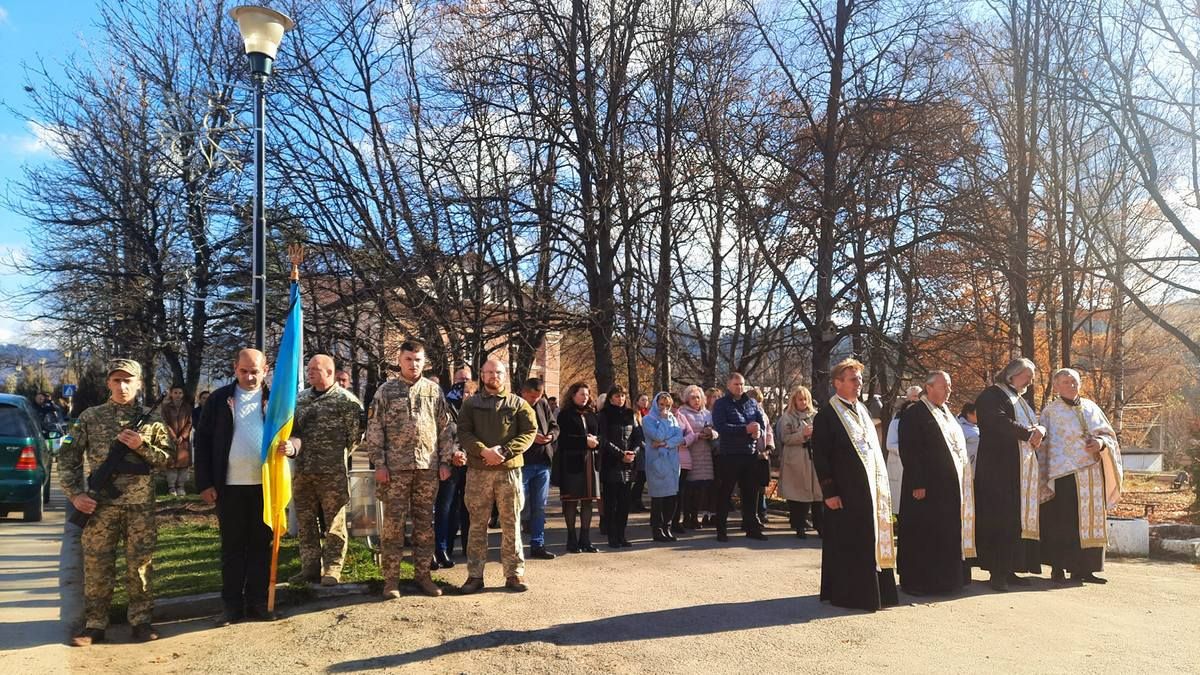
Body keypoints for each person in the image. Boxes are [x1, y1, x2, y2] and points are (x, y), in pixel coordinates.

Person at [60, 360, 171, 646]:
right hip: (99, 508)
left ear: (138, 384)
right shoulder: (89, 417)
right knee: (97, 565)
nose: (122, 386)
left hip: (139, 508)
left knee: (141, 565)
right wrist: (75, 494)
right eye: (116, 380)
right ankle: (94, 624)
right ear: (108, 383)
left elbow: (171, 460)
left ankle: (141, 621)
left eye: (128, 381)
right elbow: (67, 458)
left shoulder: (154, 421)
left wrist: (141, 446)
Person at [364, 341, 456, 599]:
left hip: (427, 468)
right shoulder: (386, 391)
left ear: (424, 361)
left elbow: (445, 428)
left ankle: (423, 576)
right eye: (408, 359)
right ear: (399, 360)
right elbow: (374, 429)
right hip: (395, 470)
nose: (413, 364)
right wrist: (379, 463)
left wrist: (445, 461)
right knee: (393, 526)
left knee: (425, 525)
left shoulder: (433, 391)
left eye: (417, 360)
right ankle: (391, 580)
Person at [194, 349, 277, 625]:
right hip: (228, 487)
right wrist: (204, 482)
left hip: (264, 486)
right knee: (232, 548)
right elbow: (202, 442)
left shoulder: (275, 399)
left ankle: (257, 602)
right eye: (244, 371)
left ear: (265, 370)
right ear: (235, 368)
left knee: (260, 547)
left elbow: (295, 433)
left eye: (255, 371)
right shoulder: (219, 400)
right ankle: (231, 605)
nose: (250, 376)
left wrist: (293, 448)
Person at [811, 358, 898, 611]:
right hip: (845, 492)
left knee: (869, 540)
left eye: (860, 378)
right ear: (838, 383)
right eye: (853, 379)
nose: (858, 383)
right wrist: (829, 491)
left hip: (870, 491)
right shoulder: (827, 415)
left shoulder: (862, 410)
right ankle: (851, 594)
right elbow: (821, 456)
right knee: (849, 543)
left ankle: (877, 592)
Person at [282, 355, 363, 587]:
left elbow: (355, 437)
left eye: (315, 369)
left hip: (332, 473)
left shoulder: (346, 401)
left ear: (329, 372)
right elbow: (293, 430)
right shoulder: (300, 399)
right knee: (306, 522)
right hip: (304, 471)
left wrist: (335, 455)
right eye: (309, 369)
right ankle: (309, 568)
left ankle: (332, 569)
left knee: (334, 523)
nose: (310, 373)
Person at [457, 358, 537, 593]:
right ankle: (474, 575)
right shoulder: (471, 405)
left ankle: (514, 574)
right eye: (489, 372)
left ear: (505, 376)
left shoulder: (518, 404)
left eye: (498, 372)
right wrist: (483, 451)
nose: (494, 376)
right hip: (478, 472)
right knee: (477, 524)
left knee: (511, 523)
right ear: (482, 375)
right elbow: (464, 432)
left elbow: (529, 432)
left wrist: (504, 451)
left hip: (508, 471)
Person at [1038, 368, 1123, 585]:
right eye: (1066, 382)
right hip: (1063, 473)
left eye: (1074, 381)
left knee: (1090, 521)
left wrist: (1101, 444)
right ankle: (1058, 567)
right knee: (1063, 522)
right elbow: (1045, 445)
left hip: (1092, 472)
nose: (1071, 385)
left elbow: (1108, 435)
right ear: (1056, 386)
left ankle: (1085, 569)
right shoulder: (1050, 412)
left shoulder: (1092, 407)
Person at [896, 371, 975, 596]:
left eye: (949, 386)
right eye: (944, 386)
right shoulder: (915, 413)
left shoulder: (946, 412)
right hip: (925, 487)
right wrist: (917, 483)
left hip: (948, 488)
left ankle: (946, 580)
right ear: (929, 387)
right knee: (923, 534)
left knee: (944, 533)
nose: (948, 390)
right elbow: (910, 450)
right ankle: (918, 581)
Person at [974, 357, 1045, 592]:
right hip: (998, 470)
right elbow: (998, 422)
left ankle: (1012, 566)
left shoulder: (1019, 399)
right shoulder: (992, 395)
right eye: (1027, 376)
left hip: (1019, 471)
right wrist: (1028, 433)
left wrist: (1038, 430)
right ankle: (997, 572)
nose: (1030, 381)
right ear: (1012, 374)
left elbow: (1032, 425)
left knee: (1015, 519)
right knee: (1000, 519)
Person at [710, 373, 768, 542]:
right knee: (725, 492)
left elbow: (761, 424)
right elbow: (721, 427)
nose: (739, 387)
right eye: (736, 384)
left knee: (751, 493)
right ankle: (721, 529)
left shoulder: (752, 403)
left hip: (750, 454)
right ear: (728, 385)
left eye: (742, 384)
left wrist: (758, 432)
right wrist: (745, 430)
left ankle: (751, 527)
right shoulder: (721, 404)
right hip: (729, 455)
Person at [555, 382, 602, 552]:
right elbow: (563, 440)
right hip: (572, 463)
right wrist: (584, 441)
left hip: (590, 463)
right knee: (571, 502)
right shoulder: (565, 415)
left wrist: (595, 441)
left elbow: (599, 435)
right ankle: (571, 539)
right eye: (581, 394)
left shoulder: (592, 414)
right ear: (573, 395)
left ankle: (585, 539)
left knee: (588, 502)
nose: (585, 398)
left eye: (587, 394)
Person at [435, 365, 473, 565]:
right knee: (446, 508)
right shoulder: (445, 405)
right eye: (460, 381)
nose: (463, 387)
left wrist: (466, 453)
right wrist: (453, 453)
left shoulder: (475, 407)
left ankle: (468, 548)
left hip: (471, 465)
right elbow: (442, 433)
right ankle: (442, 548)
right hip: (450, 464)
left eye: (467, 382)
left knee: (468, 508)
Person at [520, 377, 560, 560]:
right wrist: (531, 437)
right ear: (524, 392)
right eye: (532, 396)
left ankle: (538, 544)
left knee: (539, 507)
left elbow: (554, 426)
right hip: (523, 463)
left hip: (543, 462)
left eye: (538, 396)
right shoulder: (516, 404)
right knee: (518, 505)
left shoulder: (543, 404)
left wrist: (550, 437)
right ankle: (515, 546)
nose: (535, 399)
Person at [598, 385, 641, 548]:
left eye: (623, 396)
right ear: (610, 398)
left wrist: (633, 453)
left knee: (624, 502)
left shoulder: (631, 414)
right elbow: (603, 439)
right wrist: (620, 454)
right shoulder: (604, 415)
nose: (620, 399)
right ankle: (612, 535)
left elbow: (638, 437)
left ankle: (622, 535)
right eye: (617, 396)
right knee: (611, 502)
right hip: (611, 462)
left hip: (629, 464)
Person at [777, 386, 822, 538]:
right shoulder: (788, 417)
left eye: (805, 399)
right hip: (795, 459)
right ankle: (799, 525)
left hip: (813, 459)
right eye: (800, 399)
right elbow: (785, 438)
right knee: (798, 494)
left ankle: (820, 525)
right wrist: (802, 434)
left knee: (818, 495)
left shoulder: (816, 416)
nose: (803, 402)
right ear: (794, 401)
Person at [642, 392, 685, 542]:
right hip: (656, 462)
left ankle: (667, 526)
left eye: (668, 406)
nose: (664, 409)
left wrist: (666, 443)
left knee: (671, 498)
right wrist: (663, 421)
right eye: (662, 405)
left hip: (672, 461)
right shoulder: (648, 419)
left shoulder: (673, 418)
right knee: (659, 498)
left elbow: (680, 437)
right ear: (655, 404)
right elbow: (657, 436)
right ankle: (657, 529)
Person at [676, 385, 717, 530]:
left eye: (698, 397)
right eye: (693, 397)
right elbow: (682, 431)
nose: (696, 400)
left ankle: (695, 516)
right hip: (689, 453)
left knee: (701, 487)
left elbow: (716, 431)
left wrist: (711, 433)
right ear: (687, 399)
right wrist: (696, 435)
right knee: (689, 489)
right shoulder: (682, 412)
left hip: (705, 453)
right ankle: (687, 517)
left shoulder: (707, 413)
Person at [885, 386, 922, 520]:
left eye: (918, 397)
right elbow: (890, 444)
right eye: (913, 397)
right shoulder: (897, 421)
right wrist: (909, 450)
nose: (916, 400)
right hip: (900, 466)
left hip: (918, 467)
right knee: (903, 507)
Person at [747, 387, 775, 527]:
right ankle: (752, 513)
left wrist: (769, 448)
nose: (757, 404)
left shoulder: (764, 415)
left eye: (759, 401)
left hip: (763, 454)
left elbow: (769, 432)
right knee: (751, 485)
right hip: (751, 453)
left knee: (762, 484)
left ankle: (762, 510)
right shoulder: (746, 414)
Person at [160, 385, 193, 497]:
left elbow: (189, 423)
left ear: (183, 394)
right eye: (175, 392)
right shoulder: (165, 407)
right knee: (171, 464)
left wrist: (183, 436)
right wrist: (173, 436)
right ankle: (171, 487)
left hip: (183, 441)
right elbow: (164, 423)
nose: (178, 395)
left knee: (183, 465)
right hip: (170, 440)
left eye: (180, 393)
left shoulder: (187, 407)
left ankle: (181, 487)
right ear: (171, 394)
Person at [958, 403, 980, 470]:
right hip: (967, 466)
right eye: (977, 414)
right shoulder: (959, 427)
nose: (979, 416)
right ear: (969, 414)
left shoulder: (975, 424)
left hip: (977, 465)